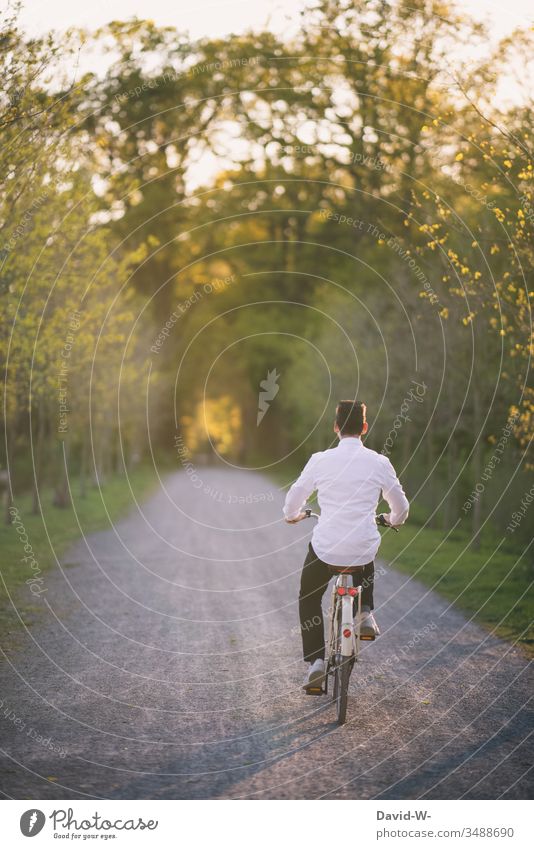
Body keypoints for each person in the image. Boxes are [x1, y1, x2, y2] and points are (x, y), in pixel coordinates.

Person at [283, 400, 409, 689]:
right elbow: (401, 508)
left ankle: (316, 662)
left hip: (326, 549)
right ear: (364, 428)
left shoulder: (319, 459)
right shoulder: (379, 462)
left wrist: (294, 516)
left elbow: (292, 501)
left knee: (309, 597)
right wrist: (391, 519)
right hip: (362, 550)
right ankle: (365, 612)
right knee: (365, 549)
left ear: (336, 427)